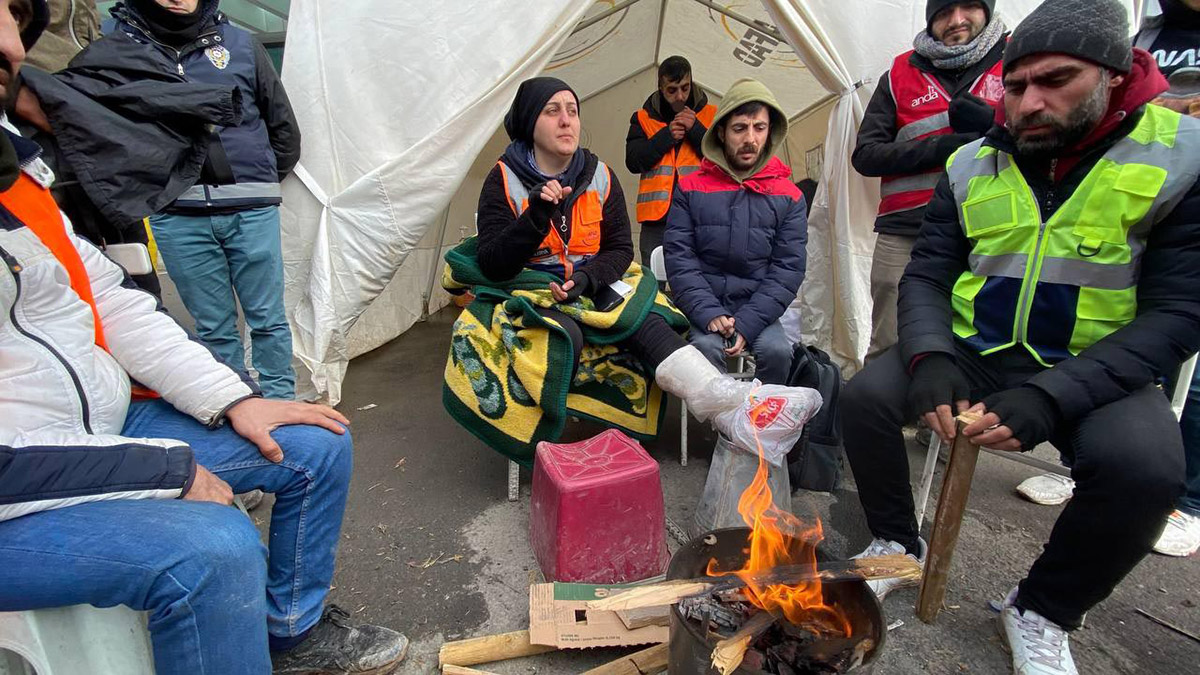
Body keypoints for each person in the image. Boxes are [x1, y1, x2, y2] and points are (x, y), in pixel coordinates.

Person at [0, 1, 408, 673]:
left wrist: (234, 398)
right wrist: (164, 468)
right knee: (217, 547)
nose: (17, 44)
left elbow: (109, 299)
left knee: (318, 441)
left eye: (16, 14)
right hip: (27, 481)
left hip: (96, 421)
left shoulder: (19, 175)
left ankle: (291, 633)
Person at [838, 0, 1200, 672]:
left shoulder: (1181, 155)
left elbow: (1179, 311)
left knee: (1146, 471)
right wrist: (930, 355)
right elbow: (927, 275)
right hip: (977, 351)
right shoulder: (972, 160)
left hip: (1095, 365)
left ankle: (1041, 607)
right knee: (861, 399)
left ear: (1113, 75)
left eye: (1055, 81)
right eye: (1016, 85)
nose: (1029, 103)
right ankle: (896, 541)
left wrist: (1057, 394)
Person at [455, 76, 813, 461]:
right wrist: (536, 217)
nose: (566, 121)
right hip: (530, 289)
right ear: (529, 121)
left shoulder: (599, 175)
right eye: (552, 111)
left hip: (590, 285)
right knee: (566, 335)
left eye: (573, 112)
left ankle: (728, 404)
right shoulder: (503, 178)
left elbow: (620, 250)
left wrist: (589, 278)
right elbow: (493, 264)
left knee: (649, 321)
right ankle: (556, 444)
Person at [93, 0, 301, 399]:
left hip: (250, 208)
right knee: (213, 327)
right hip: (176, 214)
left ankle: (280, 403)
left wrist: (257, 180)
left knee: (268, 319)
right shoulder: (116, 45)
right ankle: (237, 402)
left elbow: (282, 124)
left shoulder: (240, 44)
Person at [853, 0, 1007, 363]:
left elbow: (1053, 136)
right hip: (906, 228)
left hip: (993, 228)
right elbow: (866, 155)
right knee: (888, 341)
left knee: (978, 340)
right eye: (942, 13)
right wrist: (940, 147)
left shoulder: (1016, 57)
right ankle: (884, 417)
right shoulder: (899, 73)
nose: (955, 21)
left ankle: (955, 416)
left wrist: (993, 126)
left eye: (967, 7)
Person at [663, 78, 806, 386]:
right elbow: (679, 258)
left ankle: (760, 431)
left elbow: (788, 269)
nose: (750, 138)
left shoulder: (790, 195)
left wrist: (747, 323)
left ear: (770, 133)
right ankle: (721, 426)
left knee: (779, 351)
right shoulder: (690, 188)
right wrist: (708, 312)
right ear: (721, 133)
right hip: (704, 306)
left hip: (759, 309)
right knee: (702, 349)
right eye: (740, 128)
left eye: (759, 128)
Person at [1134, 0, 1200, 557]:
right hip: (1153, 196)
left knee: (1192, 373)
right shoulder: (1149, 34)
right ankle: (1079, 468)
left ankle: (1191, 502)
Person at [624, 55, 717, 265]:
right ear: (660, 88)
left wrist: (695, 130)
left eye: (685, 87)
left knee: (699, 278)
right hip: (656, 220)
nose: (680, 96)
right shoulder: (642, 118)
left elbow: (723, 159)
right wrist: (665, 137)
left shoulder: (711, 115)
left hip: (701, 217)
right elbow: (632, 161)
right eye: (672, 90)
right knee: (654, 282)